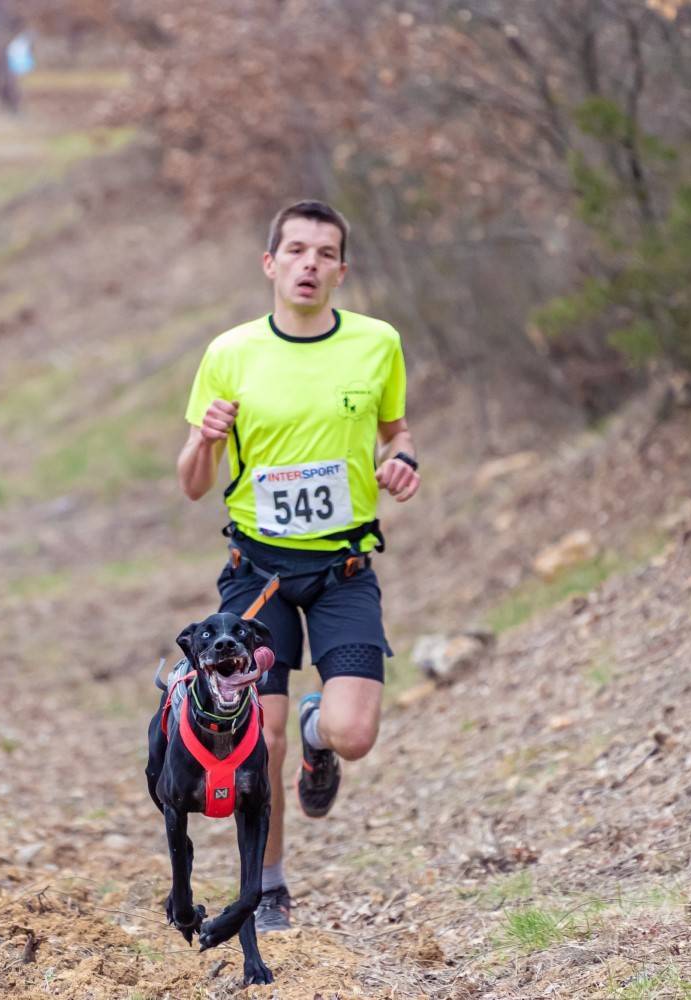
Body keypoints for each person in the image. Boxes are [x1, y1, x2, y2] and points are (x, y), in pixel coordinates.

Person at [176, 200, 420, 932]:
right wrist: (206, 440)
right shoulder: (231, 352)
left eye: (325, 253)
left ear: (342, 270)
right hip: (258, 575)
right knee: (262, 740)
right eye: (296, 251)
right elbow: (192, 483)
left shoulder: (377, 343)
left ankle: (321, 735)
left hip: (343, 568)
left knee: (354, 734)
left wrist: (402, 460)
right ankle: (270, 887)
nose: (309, 264)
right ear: (270, 263)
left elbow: (397, 431)